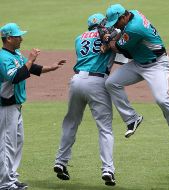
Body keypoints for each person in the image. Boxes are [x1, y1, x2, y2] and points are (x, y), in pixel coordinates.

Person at [102, 4, 169, 154]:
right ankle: (132, 119)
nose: (115, 25)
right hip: (138, 63)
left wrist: (108, 39)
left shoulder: (134, 28)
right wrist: (115, 32)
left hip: (157, 65)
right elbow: (122, 35)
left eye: (116, 21)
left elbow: (118, 48)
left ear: (124, 17)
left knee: (162, 99)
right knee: (111, 83)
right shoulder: (133, 13)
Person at [0, 23, 65, 190]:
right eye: (18, 36)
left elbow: (32, 69)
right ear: (8, 38)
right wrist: (29, 60)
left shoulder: (15, 54)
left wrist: (53, 67)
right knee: (7, 144)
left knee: (17, 142)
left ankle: (11, 177)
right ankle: (5, 183)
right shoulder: (3, 58)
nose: (21, 38)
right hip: (6, 107)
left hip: (16, 106)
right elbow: (17, 76)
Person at [53, 13, 116, 186]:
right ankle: (108, 169)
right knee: (105, 128)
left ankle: (60, 161)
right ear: (103, 25)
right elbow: (119, 51)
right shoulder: (110, 34)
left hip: (76, 81)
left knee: (70, 123)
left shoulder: (79, 38)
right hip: (97, 82)